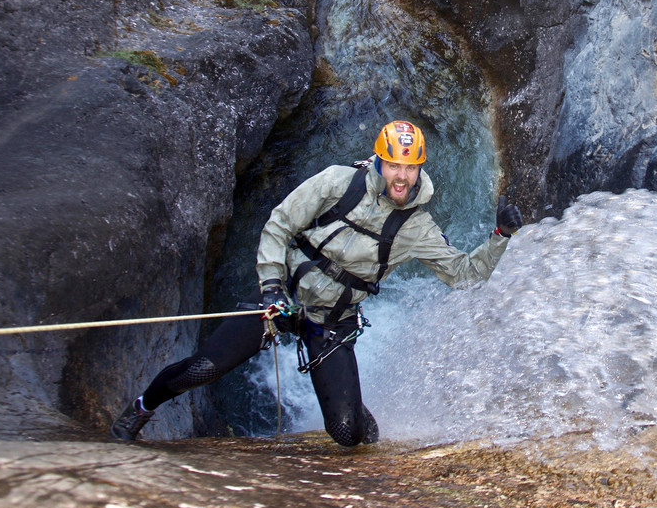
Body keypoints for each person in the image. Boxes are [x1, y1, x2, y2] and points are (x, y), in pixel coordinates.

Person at [110, 120, 523, 446]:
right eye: (395, 165)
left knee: (346, 433)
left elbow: (464, 275)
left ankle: (357, 415)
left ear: (420, 169)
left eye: (411, 167)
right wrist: (272, 286)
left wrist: (500, 236)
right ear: (379, 161)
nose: (402, 176)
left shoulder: (418, 227)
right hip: (286, 293)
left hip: (332, 319)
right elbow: (279, 224)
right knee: (204, 368)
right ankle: (142, 408)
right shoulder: (337, 182)